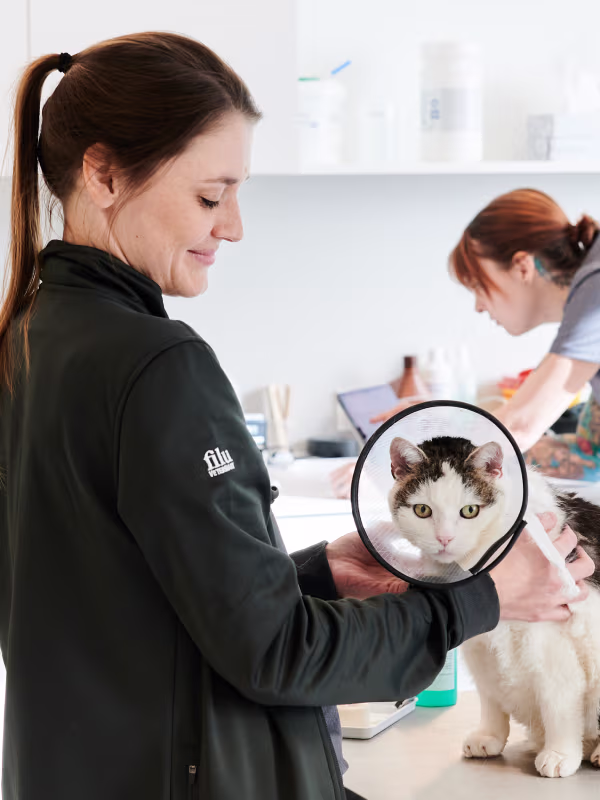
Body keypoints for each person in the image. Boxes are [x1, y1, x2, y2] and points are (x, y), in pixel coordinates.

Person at [0, 36, 593, 800]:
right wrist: (481, 597)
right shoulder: (157, 366)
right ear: (105, 173)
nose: (235, 227)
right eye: (212, 197)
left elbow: (136, 608)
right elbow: (279, 655)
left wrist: (309, 574)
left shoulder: (30, 334)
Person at [358, 189, 600, 484]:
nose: (478, 306)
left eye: (479, 285)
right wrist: (446, 425)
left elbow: (521, 425)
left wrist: (387, 468)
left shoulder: (595, 292)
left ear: (522, 266)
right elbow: (591, 457)